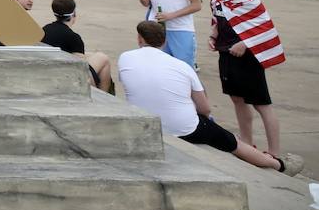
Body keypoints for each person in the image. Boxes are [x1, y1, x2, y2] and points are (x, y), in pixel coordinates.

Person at [118, 21, 302, 176]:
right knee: (232, 142)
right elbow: (205, 109)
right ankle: (278, 165)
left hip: (143, 124)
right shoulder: (182, 66)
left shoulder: (124, 58)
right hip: (184, 129)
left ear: (139, 39)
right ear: (165, 41)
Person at [208, 0, 287, 157]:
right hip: (226, 53)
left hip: (249, 58)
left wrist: (245, 43)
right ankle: (246, 142)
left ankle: (274, 152)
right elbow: (218, 19)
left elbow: (264, 27)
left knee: (261, 104)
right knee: (236, 98)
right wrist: (213, 36)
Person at [41, 0, 112, 92]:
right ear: (73, 14)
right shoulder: (73, 37)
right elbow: (80, 64)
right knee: (103, 58)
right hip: (68, 76)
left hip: (47, 70)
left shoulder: (44, 30)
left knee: (93, 55)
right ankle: (103, 95)